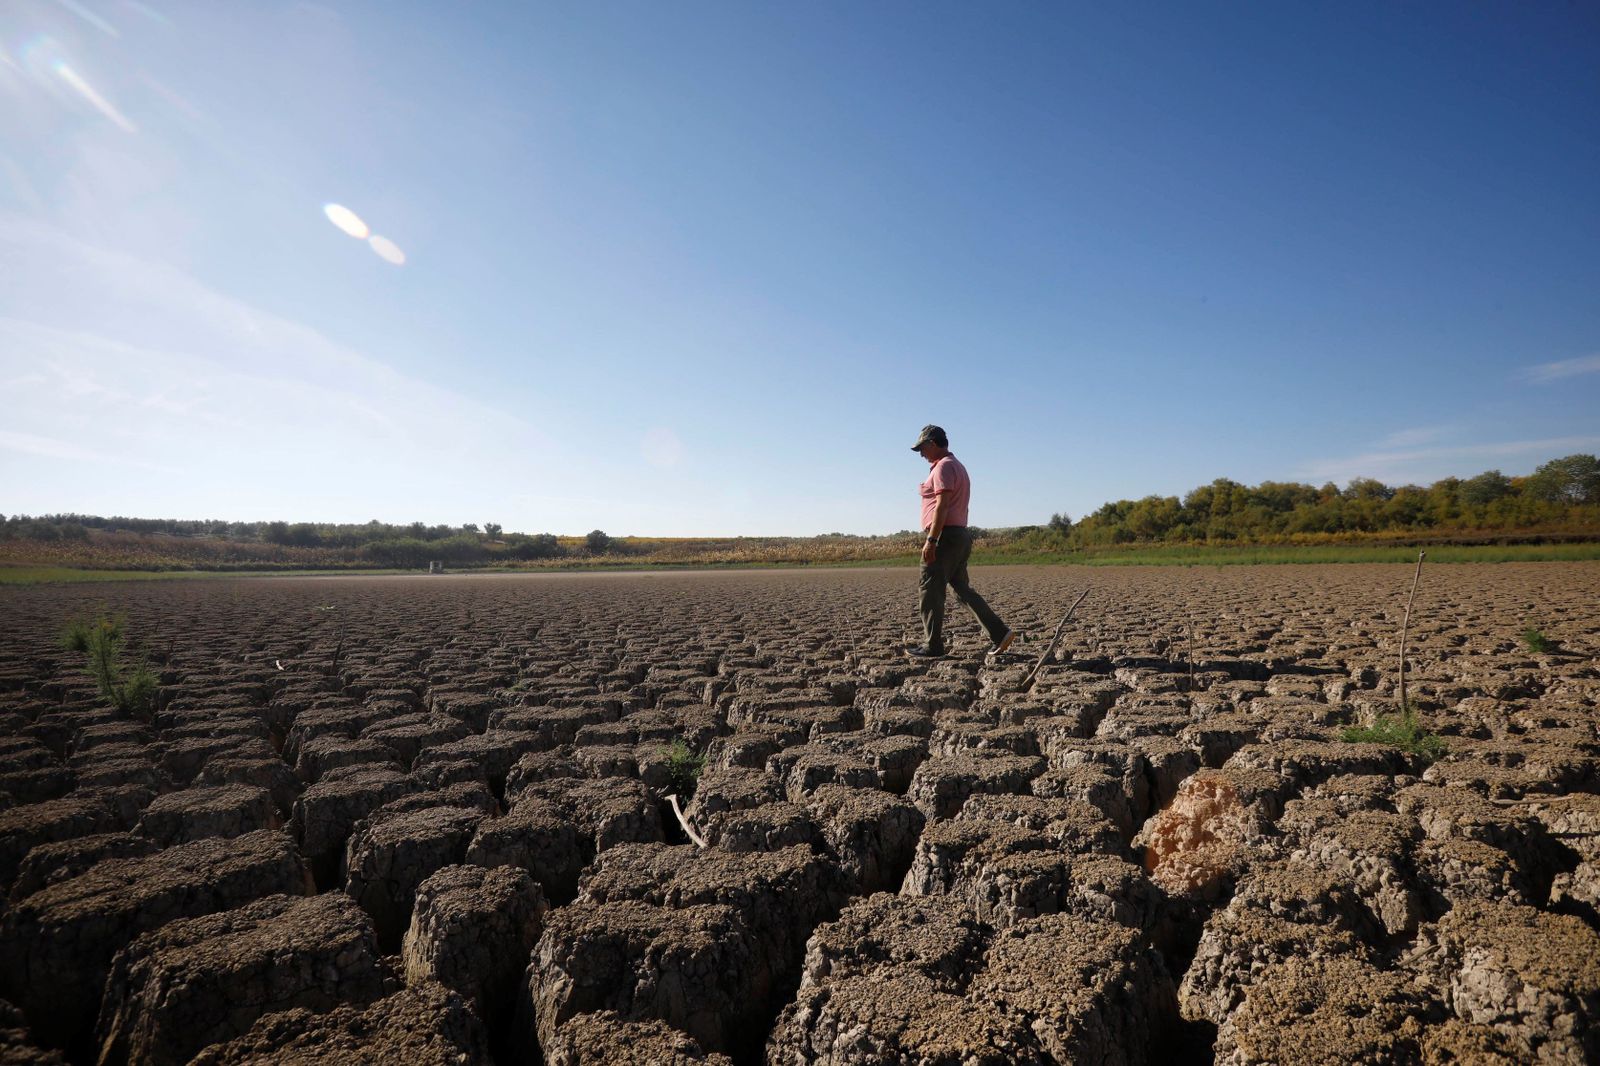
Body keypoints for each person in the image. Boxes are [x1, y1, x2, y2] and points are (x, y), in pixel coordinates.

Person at [906, 424, 1015, 658]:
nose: (921, 454)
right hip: (959, 536)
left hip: (946, 536)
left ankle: (932, 646)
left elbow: (942, 506)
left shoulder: (944, 467)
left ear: (933, 443)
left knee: (930, 589)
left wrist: (932, 540)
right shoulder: (957, 466)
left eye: (922, 448)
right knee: (962, 589)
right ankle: (1000, 633)